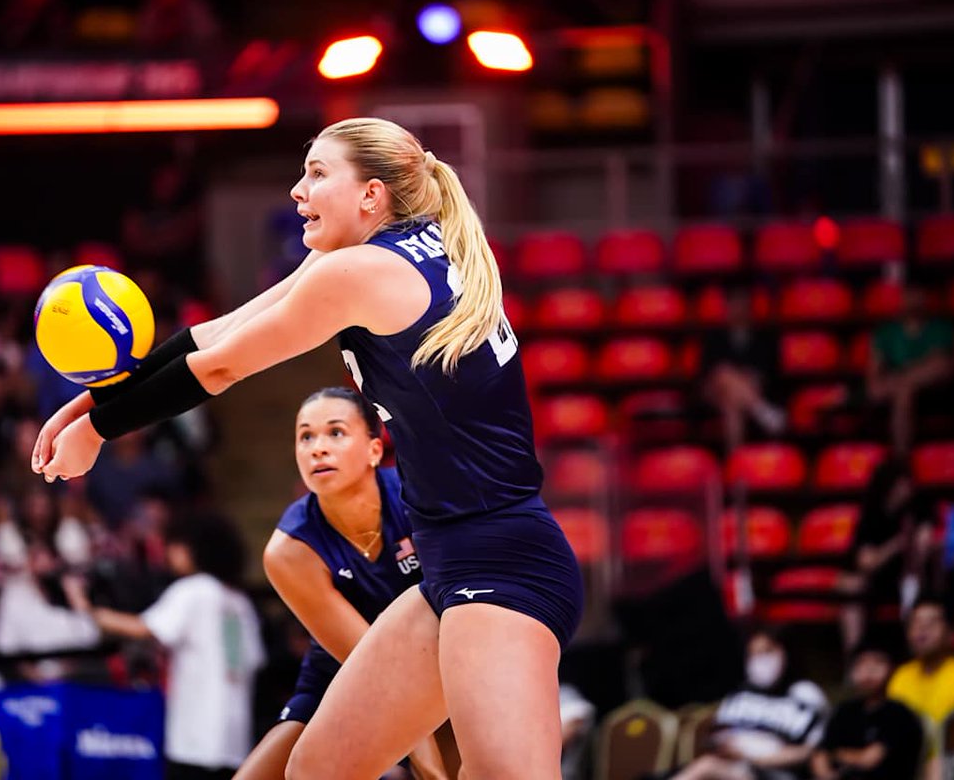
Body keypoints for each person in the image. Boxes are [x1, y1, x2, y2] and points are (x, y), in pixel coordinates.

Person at [35, 116, 583, 779]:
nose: (298, 190)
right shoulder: (405, 250)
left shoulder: (358, 272)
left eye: (318, 174)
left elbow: (222, 369)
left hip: (501, 560)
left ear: (371, 196)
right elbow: (216, 334)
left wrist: (98, 434)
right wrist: (91, 403)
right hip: (451, 563)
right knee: (318, 769)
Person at [235, 387, 452, 780]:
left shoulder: (421, 496)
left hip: (442, 668)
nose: (318, 448)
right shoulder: (289, 551)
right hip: (343, 673)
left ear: (373, 450)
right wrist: (421, 756)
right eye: (306, 436)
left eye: (335, 432)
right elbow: (368, 661)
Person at [63, 512, 264, 779]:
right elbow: (252, 660)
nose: (170, 553)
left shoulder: (194, 590)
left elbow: (144, 628)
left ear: (194, 548)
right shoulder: (239, 602)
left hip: (196, 741)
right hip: (234, 741)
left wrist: (86, 608)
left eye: (176, 545)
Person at [671, 629, 828, 780]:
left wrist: (754, 758)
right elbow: (716, 739)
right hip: (729, 767)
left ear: (784, 651)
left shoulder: (804, 694)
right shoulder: (740, 696)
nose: (760, 661)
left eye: (766, 651)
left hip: (772, 772)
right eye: (754, 654)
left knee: (706, 767)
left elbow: (811, 751)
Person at [840, 459, 935, 651]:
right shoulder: (871, 514)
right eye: (900, 485)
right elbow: (866, 562)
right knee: (850, 586)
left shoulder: (920, 504)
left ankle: (915, 653)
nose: (905, 489)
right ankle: (855, 656)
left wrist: (919, 544)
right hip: (880, 576)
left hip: (915, 574)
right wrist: (897, 544)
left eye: (907, 483)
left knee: (913, 585)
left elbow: (928, 541)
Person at [810, 637, 923, 780]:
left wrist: (836, 754)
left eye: (877, 662)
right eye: (861, 663)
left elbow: (869, 760)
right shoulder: (843, 711)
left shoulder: (900, 714)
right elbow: (820, 755)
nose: (869, 670)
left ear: (892, 669)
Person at [867, 284, 954, 454]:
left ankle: (901, 460)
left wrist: (900, 376)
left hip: (937, 391)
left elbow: (943, 365)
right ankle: (901, 460)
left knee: (941, 364)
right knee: (904, 391)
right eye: (909, 294)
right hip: (894, 392)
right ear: (902, 297)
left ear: (926, 297)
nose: (914, 299)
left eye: (918, 294)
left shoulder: (941, 327)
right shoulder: (885, 331)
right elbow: (874, 375)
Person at [699, 286, 785, 452]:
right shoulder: (713, 336)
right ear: (727, 307)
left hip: (749, 387)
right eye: (734, 304)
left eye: (743, 304)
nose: (739, 308)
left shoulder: (765, 337)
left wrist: (741, 377)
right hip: (714, 390)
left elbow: (768, 371)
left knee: (731, 405)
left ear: (750, 307)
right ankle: (761, 410)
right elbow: (706, 371)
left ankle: (735, 466)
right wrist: (731, 375)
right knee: (723, 374)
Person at [887, 597, 954, 734]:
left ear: (951, 633)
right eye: (916, 622)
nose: (922, 629)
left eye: (932, 623)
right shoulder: (901, 676)